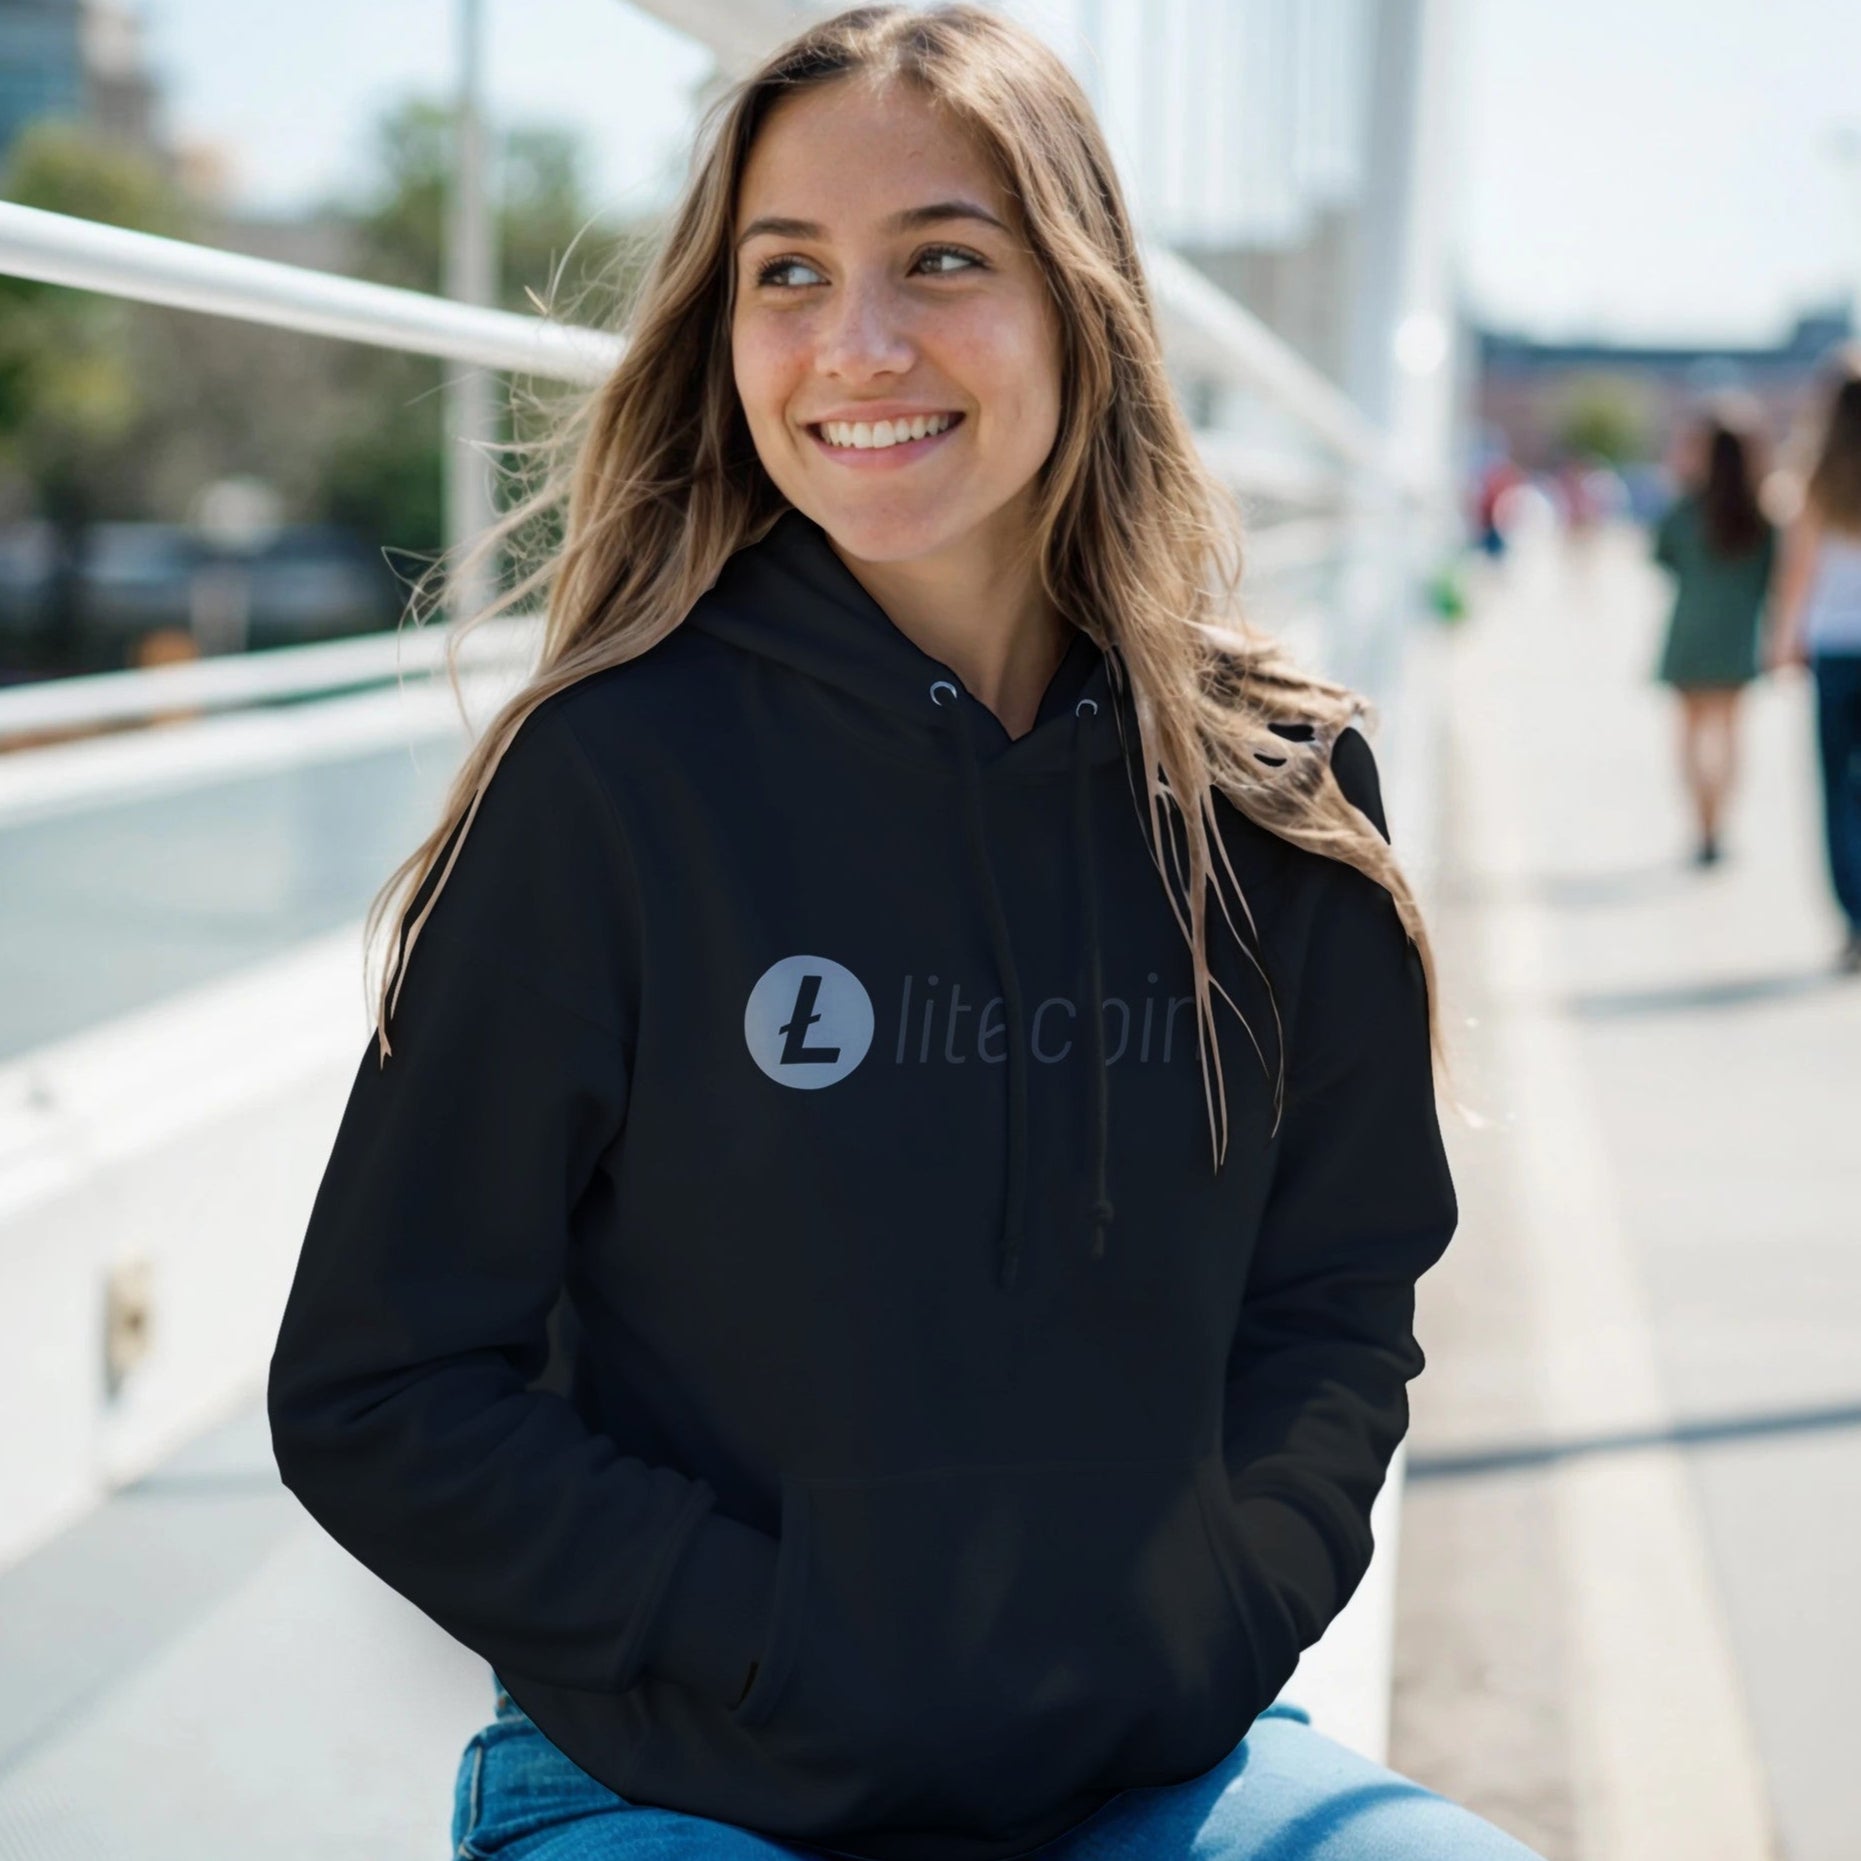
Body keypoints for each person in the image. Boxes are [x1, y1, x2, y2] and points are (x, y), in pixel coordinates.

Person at [267, 7, 1535, 1857]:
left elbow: (1336, 1299)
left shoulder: (1276, 787)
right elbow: (377, 1386)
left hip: (1152, 1750)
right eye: (787, 273)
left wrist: (1213, 1616)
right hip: (686, 1766)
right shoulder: (613, 783)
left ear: (1082, 303)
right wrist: (774, 1637)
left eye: (942, 259)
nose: (856, 344)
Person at [1651, 408, 1777, 867]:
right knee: (1729, 735)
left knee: (1690, 735)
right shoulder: (1763, 515)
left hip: (1690, 634)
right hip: (1737, 637)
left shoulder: (1686, 510)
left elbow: (1662, 558)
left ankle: (1701, 823)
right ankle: (1718, 824)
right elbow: (1773, 579)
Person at [1769, 356, 1861, 973]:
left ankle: (1855, 916)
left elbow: (1797, 573)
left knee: (1836, 788)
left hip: (1833, 647)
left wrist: (1781, 642)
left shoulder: (1817, 480)